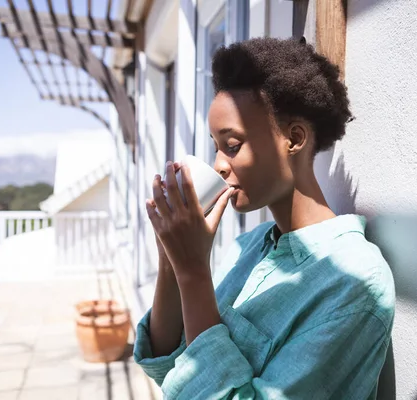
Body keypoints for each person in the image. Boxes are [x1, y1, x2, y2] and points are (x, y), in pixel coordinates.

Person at [133, 37, 395, 400]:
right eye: (216, 146)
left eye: (233, 145)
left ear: (295, 138)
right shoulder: (247, 248)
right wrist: (172, 258)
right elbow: (169, 364)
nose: (219, 165)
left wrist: (194, 272)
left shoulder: (355, 282)